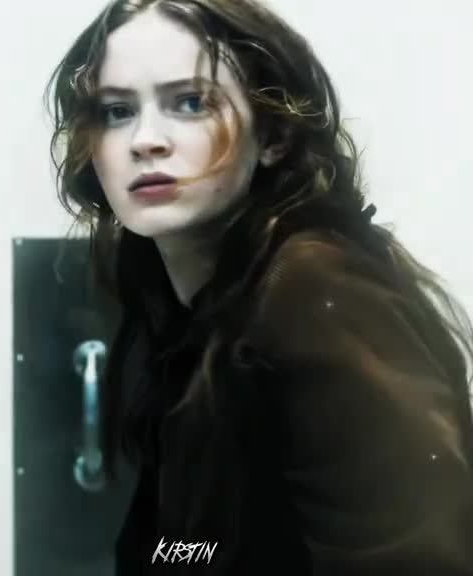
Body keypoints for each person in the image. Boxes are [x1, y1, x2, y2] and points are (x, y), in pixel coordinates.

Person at [44, 0, 473, 573]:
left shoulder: (314, 292)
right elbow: (179, 553)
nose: (145, 140)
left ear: (273, 134)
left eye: (190, 103)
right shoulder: (179, 295)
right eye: (117, 111)